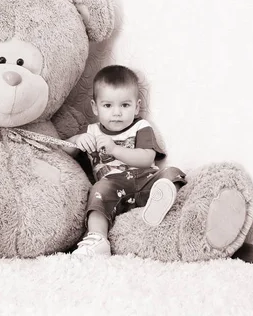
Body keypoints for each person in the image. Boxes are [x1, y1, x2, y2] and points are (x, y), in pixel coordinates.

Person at [63, 65, 187, 256]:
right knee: (97, 192)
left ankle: (162, 204)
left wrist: (115, 149)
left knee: (172, 173)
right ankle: (97, 238)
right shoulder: (91, 132)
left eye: (125, 105)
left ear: (137, 106)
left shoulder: (141, 127)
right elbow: (62, 152)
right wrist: (76, 141)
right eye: (108, 105)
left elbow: (147, 158)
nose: (117, 112)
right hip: (113, 186)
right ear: (95, 107)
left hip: (145, 181)